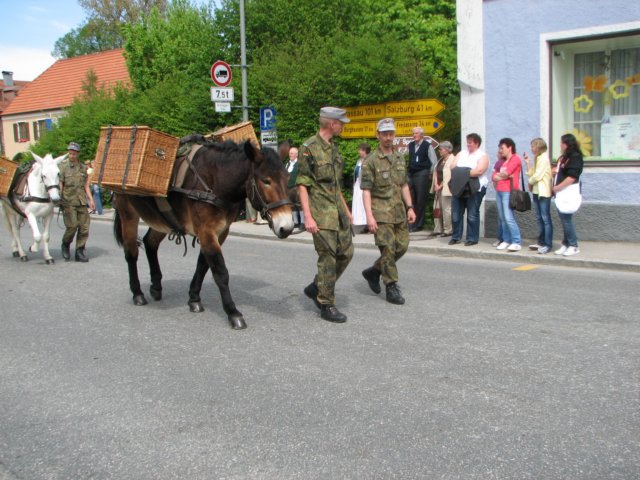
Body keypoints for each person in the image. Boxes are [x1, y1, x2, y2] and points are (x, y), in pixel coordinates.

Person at [297, 107, 354, 323]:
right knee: (328, 258)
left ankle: (316, 286)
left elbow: (336, 184)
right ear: (332, 124)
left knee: (346, 253)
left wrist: (346, 210)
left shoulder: (334, 149)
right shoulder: (308, 148)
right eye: (341, 122)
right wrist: (308, 217)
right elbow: (302, 185)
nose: (343, 125)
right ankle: (326, 304)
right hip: (320, 212)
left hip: (337, 212)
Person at [360, 118, 416, 305]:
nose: (388, 137)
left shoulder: (399, 158)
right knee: (388, 248)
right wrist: (369, 216)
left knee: (402, 246)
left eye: (391, 134)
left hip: (399, 212)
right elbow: (366, 191)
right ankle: (391, 286)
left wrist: (410, 207)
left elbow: (403, 185)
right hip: (380, 212)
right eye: (384, 134)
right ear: (378, 135)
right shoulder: (370, 161)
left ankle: (374, 271)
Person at [448, 133, 490, 246]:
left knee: (472, 214)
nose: (468, 144)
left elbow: (479, 171)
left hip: (475, 187)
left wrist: (461, 172)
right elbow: (452, 167)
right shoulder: (462, 153)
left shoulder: (482, 156)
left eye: (470, 142)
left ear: (476, 143)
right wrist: (467, 172)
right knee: (456, 213)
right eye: (467, 142)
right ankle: (456, 236)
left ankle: (472, 238)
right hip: (459, 186)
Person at [59, 142, 95, 262]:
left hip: (81, 201)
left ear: (78, 154)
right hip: (68, 200)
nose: (72, 155)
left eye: (74, 153)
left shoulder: (83, 168)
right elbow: (60, 183)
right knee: (72, 226)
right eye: (70, 153)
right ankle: (66, 244)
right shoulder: (63, 166)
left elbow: (86, 185)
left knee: (84, 227)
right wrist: (59, 197)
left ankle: (79, 251)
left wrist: (91, 199)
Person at [552, 133, 584, 256]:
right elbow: (562, 171)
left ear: (566, 144)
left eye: (561, 143)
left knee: (566, 219)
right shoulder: (564, 157)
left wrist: (557, 187)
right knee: (563, 218)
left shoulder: (575, 157)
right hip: (561, 193)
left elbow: (571, 177)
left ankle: (573, 245)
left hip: (568, 192)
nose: (560, 145)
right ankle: (565, 244)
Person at [491, 138, 523, 252]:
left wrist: (503, 175)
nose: (500, 150)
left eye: (502, 148)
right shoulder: (503, 161)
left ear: (510, 148)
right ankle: (506, 239)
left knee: (509, 217)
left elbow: (507, 172)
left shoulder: (516, 158)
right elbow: (494, 176)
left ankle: (516, 241)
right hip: (499, 190)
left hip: (509, 191)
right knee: (503, 217)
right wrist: (502, 175)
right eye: (499, 148)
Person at [524, 137, 553, 254]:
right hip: (537, 192)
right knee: (539, 218)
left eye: (532, 146)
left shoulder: (544, 158)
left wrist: (529, 182)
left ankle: (548, 244)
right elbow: (532, 173)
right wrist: (527, 163)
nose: (531, 148)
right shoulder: (538, 158)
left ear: (537, 146)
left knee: (545, 219)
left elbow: (538, 176)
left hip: (543, 192)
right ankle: (541, 242)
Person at [407, 126, 437, 232]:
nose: (414, 135)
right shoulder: (410, 145)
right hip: (411, 174)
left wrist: (429, 174)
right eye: (413, 133)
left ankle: (418, 224)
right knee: (411, 199)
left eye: (416, 133)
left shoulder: (427, 146)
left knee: (420, 199)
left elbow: (434, 162)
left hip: (422, 174)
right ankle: (411, 222)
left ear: (421, 134)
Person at [430, 140, 455, 237]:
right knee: (436, 209)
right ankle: (437, 229)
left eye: (441, 149)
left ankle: (448, 230)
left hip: (447, 188)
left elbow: (449, 176)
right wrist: (436, 184)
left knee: (446, 209)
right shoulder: (440, 160)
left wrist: (440, 185)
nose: (439, 151)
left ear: (448, 149)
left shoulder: (452, 159)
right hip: (438, 188)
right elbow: (436, 172)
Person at [351, 142, 370, 233]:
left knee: (365, 204)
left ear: (364, 151)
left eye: (360, 150)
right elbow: (356, 173)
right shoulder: (359, 161)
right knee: (359, 205)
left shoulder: (368, 160)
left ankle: (368, 224)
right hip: (357, 185)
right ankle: (363, 224)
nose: (359, 152)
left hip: (365, 186)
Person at [285, 146, 304, 228]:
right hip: (289, 188)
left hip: (297, 188)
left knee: (300, 205)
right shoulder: (287, 164)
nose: (290, 155)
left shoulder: (299, 164)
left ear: (297, 154)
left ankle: (303, 222)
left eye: (292, 153)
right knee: (292, 206)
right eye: (290, 153)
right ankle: (296, 222)